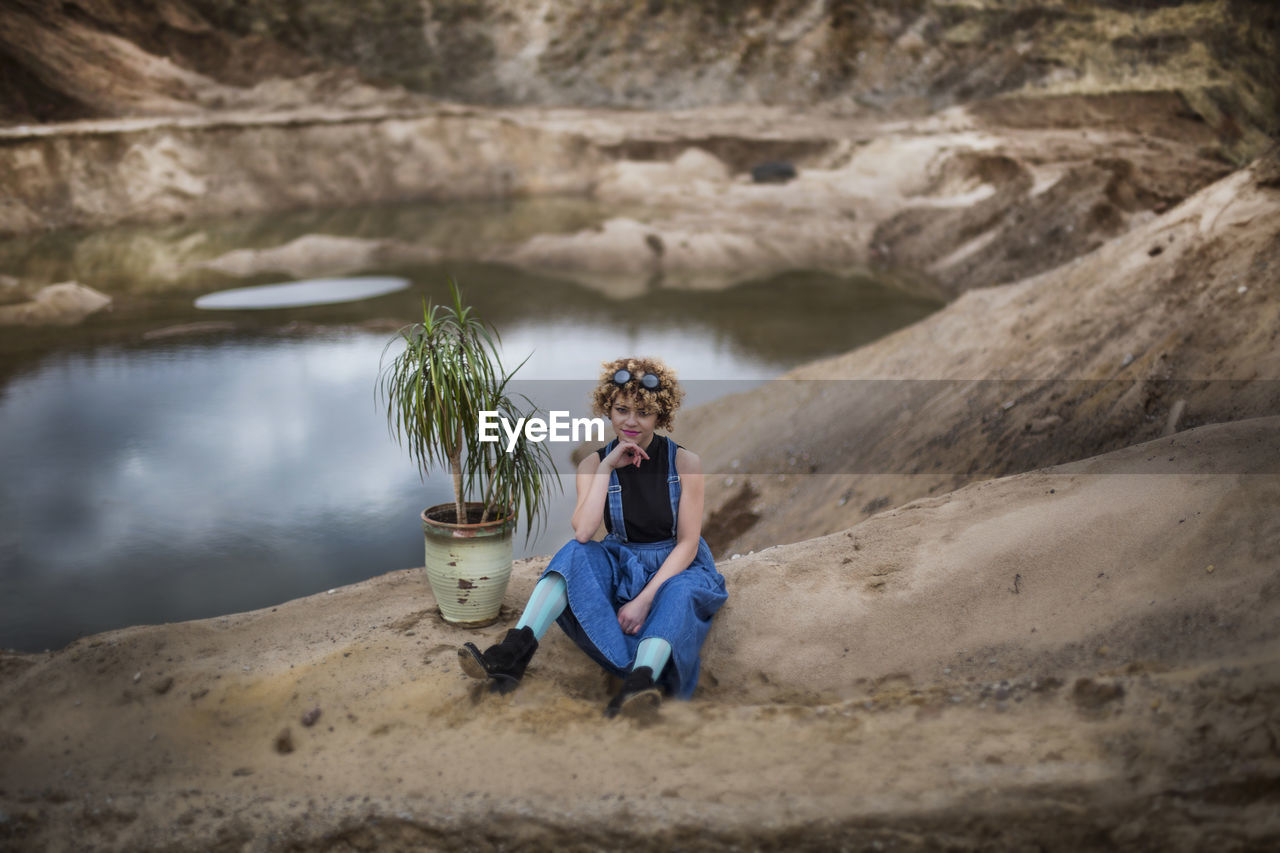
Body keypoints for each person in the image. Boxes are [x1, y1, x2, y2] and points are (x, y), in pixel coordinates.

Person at [459, 356, 728, 718]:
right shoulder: (592, 465)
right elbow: (585, 531)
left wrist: (645, 600)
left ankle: (640, 682)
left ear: (660, 415)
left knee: (679, 593)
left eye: (643, 412)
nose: (631, 421)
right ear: (607, 408)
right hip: (622, 560)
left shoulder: (684, 464)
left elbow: (688, 543)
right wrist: (605, 467)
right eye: (621, 409)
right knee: (573, 552)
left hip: (675, 565)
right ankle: (514, 652)